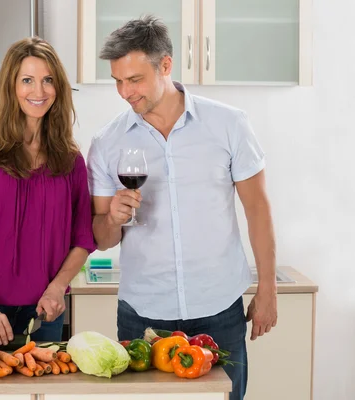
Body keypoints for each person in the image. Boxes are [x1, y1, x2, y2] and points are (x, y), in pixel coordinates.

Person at [87, 16, 276, 400]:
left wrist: (268, 289)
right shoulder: (107, 142)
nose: (125, 92)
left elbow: (257, 209)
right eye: (118, 81)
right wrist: (112, 218)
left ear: (166, 66)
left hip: (219, 308)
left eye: (135, 79)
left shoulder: (228, 124)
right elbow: (102, 239)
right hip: (142, 314)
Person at [0, 37, 95, 346]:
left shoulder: (70, 159)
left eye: (48, 80)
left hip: (43, 313)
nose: (39, 92)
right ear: (10, 86)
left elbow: (82, 239)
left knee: (37, 396)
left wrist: (57, 288)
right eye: (27, 80)